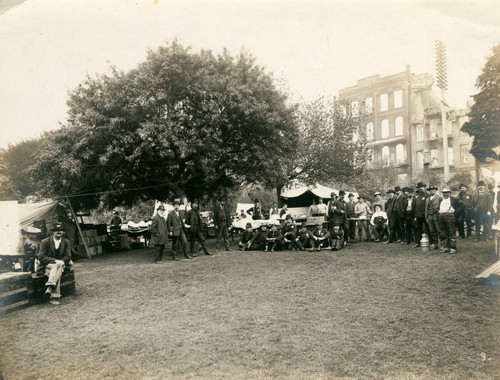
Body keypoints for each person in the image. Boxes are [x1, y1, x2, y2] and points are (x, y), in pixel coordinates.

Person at [36, 223, 72, 305]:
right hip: (46, 266)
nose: (59, 232)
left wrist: (61, 262)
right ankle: (53, 295)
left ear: (63, 232)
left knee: (58, 266)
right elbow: (41, 256)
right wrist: (55, 261)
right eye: (56, 230)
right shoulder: (45, 242)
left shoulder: (66, 242)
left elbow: (68, 256)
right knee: (57, 267)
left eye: (61, 230)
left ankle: (50, 287)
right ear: (53, 232)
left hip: (61, 265)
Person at [438, 188, 465, 253]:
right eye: (444, 193)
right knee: (443, 233)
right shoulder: (441, 200)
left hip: (450, 216)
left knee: (451, 232)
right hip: (441, 216)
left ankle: (453, 248)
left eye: (447, 193)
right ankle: (446, 247)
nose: (445, 194)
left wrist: (455, 212)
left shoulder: (454, 199)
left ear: (450, 193)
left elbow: (463, 205)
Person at [412, 182, 430, 247]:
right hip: (418, 215)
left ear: (424, 187)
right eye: (419, 187)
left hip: (425, 215)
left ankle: (431, 242)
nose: (420, 188)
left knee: (428, 228)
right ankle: (418, 242)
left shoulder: (427, 194)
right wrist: (415, 215)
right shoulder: (417, 195)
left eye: (421, 187)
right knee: (418, 229)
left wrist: (427, 215)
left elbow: (429, 205)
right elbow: (414, 206)